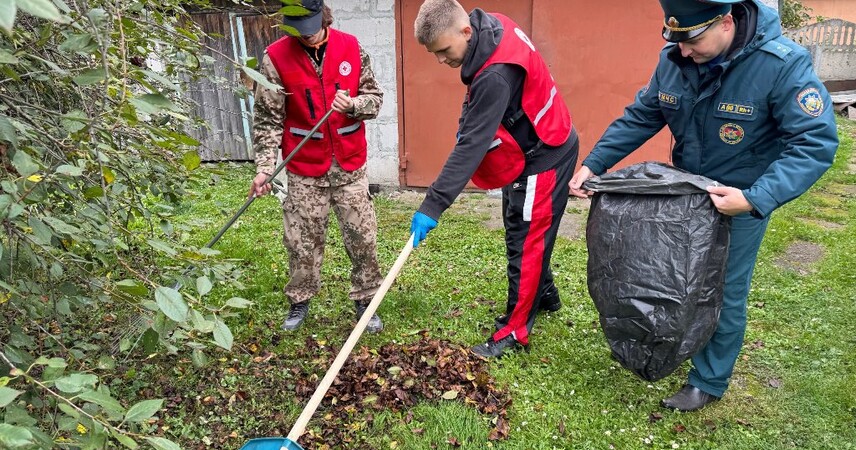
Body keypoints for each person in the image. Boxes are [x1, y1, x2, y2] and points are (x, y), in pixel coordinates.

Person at [569, 0, 838, 411]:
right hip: (686, 194)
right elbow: (644, 114)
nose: (683, 52)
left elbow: (815, 143)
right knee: (676, 276)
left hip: (739, 198)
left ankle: (708, 379)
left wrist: (754, 198)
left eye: (692, 40)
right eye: (675, 41)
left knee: (723, 289)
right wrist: (594, 163)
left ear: (726, 22)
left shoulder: (780, 64)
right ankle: (670, 342)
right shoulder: (676, 59)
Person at [410, 0, 580, 358]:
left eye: (443, 50)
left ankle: (515, 332)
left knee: (527, 240)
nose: (441, 60)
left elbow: (472, 145)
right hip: (531, 146)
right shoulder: (492, 27)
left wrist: (434, 204)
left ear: (465, 31)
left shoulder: (495, 73)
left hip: (544, 154)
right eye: (434, 54)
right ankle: (544, 294)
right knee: (523, 226)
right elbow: (473, 111)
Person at [250, 0, 385, 333]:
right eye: (300, 31)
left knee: (362, 237)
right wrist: (265, 167)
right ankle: (299, 300)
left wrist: (354, 105)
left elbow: (375, 99)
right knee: (301, 240)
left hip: (349, 164)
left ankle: (366, 301)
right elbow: (268, 119)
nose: (307, 37)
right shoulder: (275, 58)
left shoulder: (352, 48)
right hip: (304, 167)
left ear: (323, 16)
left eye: (311, 28)